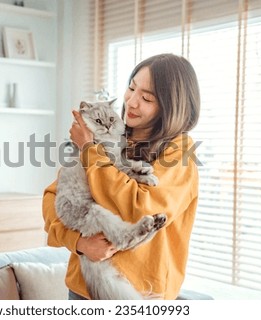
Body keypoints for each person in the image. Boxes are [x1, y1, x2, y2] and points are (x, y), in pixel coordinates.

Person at [42, 53, 201, 300]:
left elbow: (141, 208)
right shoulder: (109, 133)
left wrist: (89, 150)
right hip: (83, 290)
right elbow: (54, 199)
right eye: (131, 88)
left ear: (170, 106)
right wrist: (79, 243)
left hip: (140, 294)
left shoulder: (180, 151)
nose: (132, 102)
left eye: (147, 97)